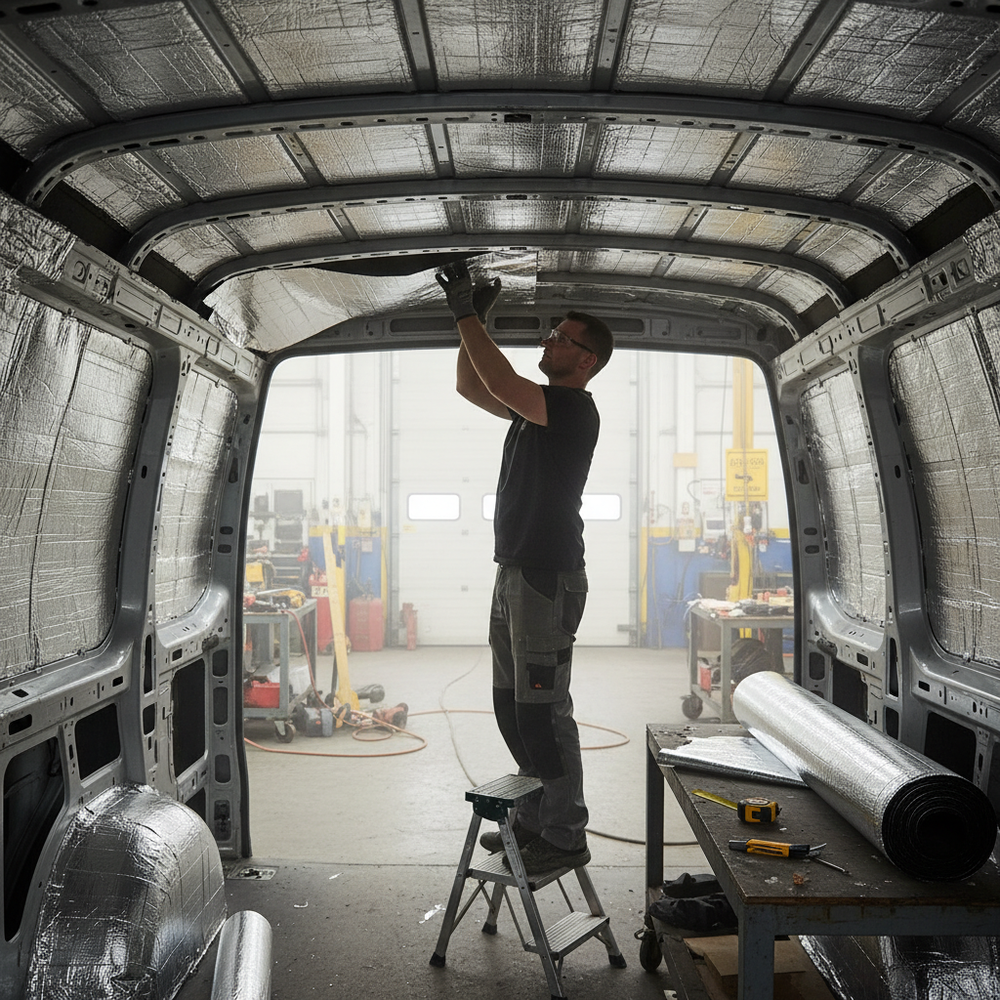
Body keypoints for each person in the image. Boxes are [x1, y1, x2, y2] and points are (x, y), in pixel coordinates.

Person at [436, 259, 614, 875]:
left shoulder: (570, 410)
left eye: (561, 338)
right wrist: (476, 317)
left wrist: (465, 313)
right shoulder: (534, 411)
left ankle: (565, 833)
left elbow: (503, 378)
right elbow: (472, 385)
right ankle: (533, 817)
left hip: (546, 574)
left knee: (544, 708)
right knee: (511, 704)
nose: (549, 341)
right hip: (514, 571)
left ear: (586, 359)